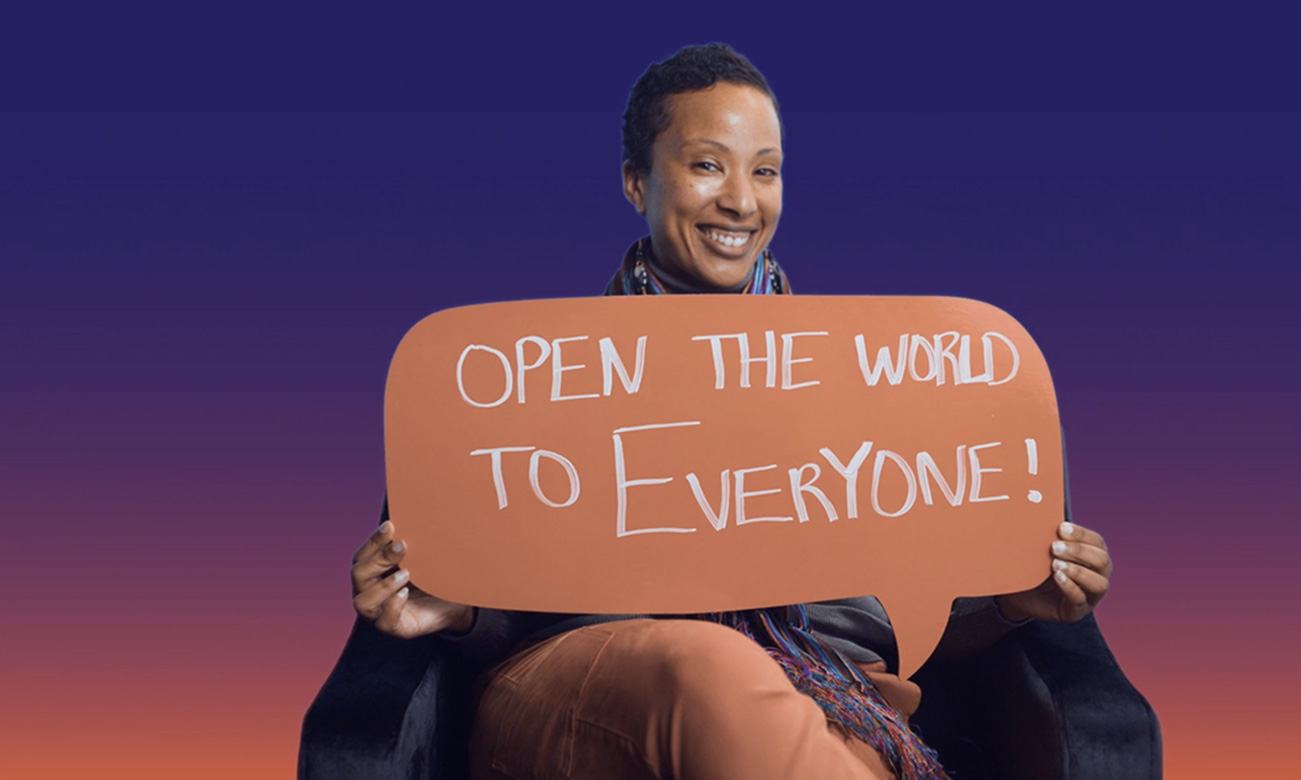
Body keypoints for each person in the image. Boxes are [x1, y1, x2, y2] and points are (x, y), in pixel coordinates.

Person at [349, 43, 1113, 780]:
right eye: (707, 164)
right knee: (709, 662)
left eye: (766, 171)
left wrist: (1014, 605)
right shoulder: (529, 375)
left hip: (836, 705)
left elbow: (918, 630)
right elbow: (498, 603)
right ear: (634, 182)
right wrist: (450, 611)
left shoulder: (877, 379)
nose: (742, 201)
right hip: (579, 688)